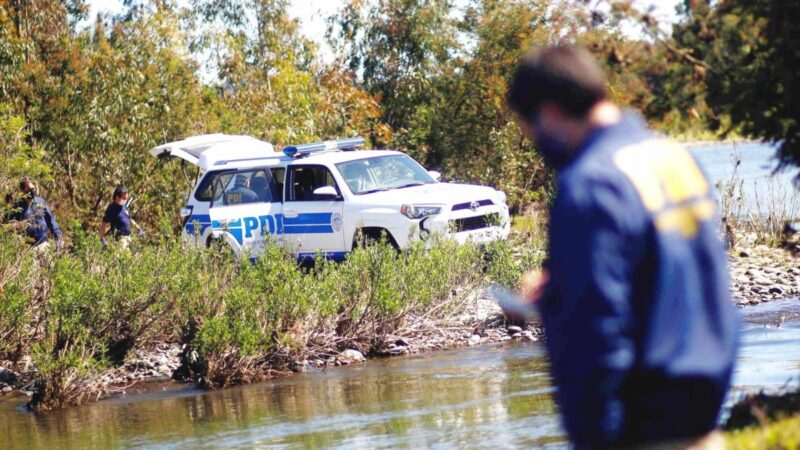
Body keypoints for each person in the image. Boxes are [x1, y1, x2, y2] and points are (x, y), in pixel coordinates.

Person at [506, 46, 739, 449]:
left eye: (532, 131)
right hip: (703, 419)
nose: (537, 144)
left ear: (550, 114)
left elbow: (595, 331)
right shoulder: (672, 156)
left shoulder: (591, 184)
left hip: (643, 430)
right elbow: (680, 274)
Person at [5, 177, 63, 251]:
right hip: (27, 249)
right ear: (23, 191)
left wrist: (59, 238)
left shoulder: (40, 202)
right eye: (29, 189)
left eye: (33, 189)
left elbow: (51, 221)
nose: (32, 191)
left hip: (43, 245)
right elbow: (9, 226)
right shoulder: (17, 207)